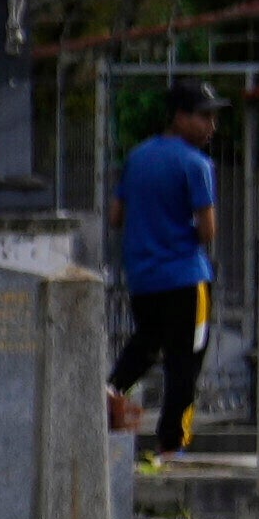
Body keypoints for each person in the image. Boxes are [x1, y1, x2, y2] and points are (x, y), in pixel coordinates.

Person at [108, 86, 224, 453]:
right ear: (179, 116)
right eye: (204, 116)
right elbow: (207, 231)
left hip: (143, 278)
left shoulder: (137, 157)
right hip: (186, 277)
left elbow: (116, 216)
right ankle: (172, 445)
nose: (211, 125)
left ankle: (108, 393)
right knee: (186, 362)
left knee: (145, 344)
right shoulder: (196, 164)